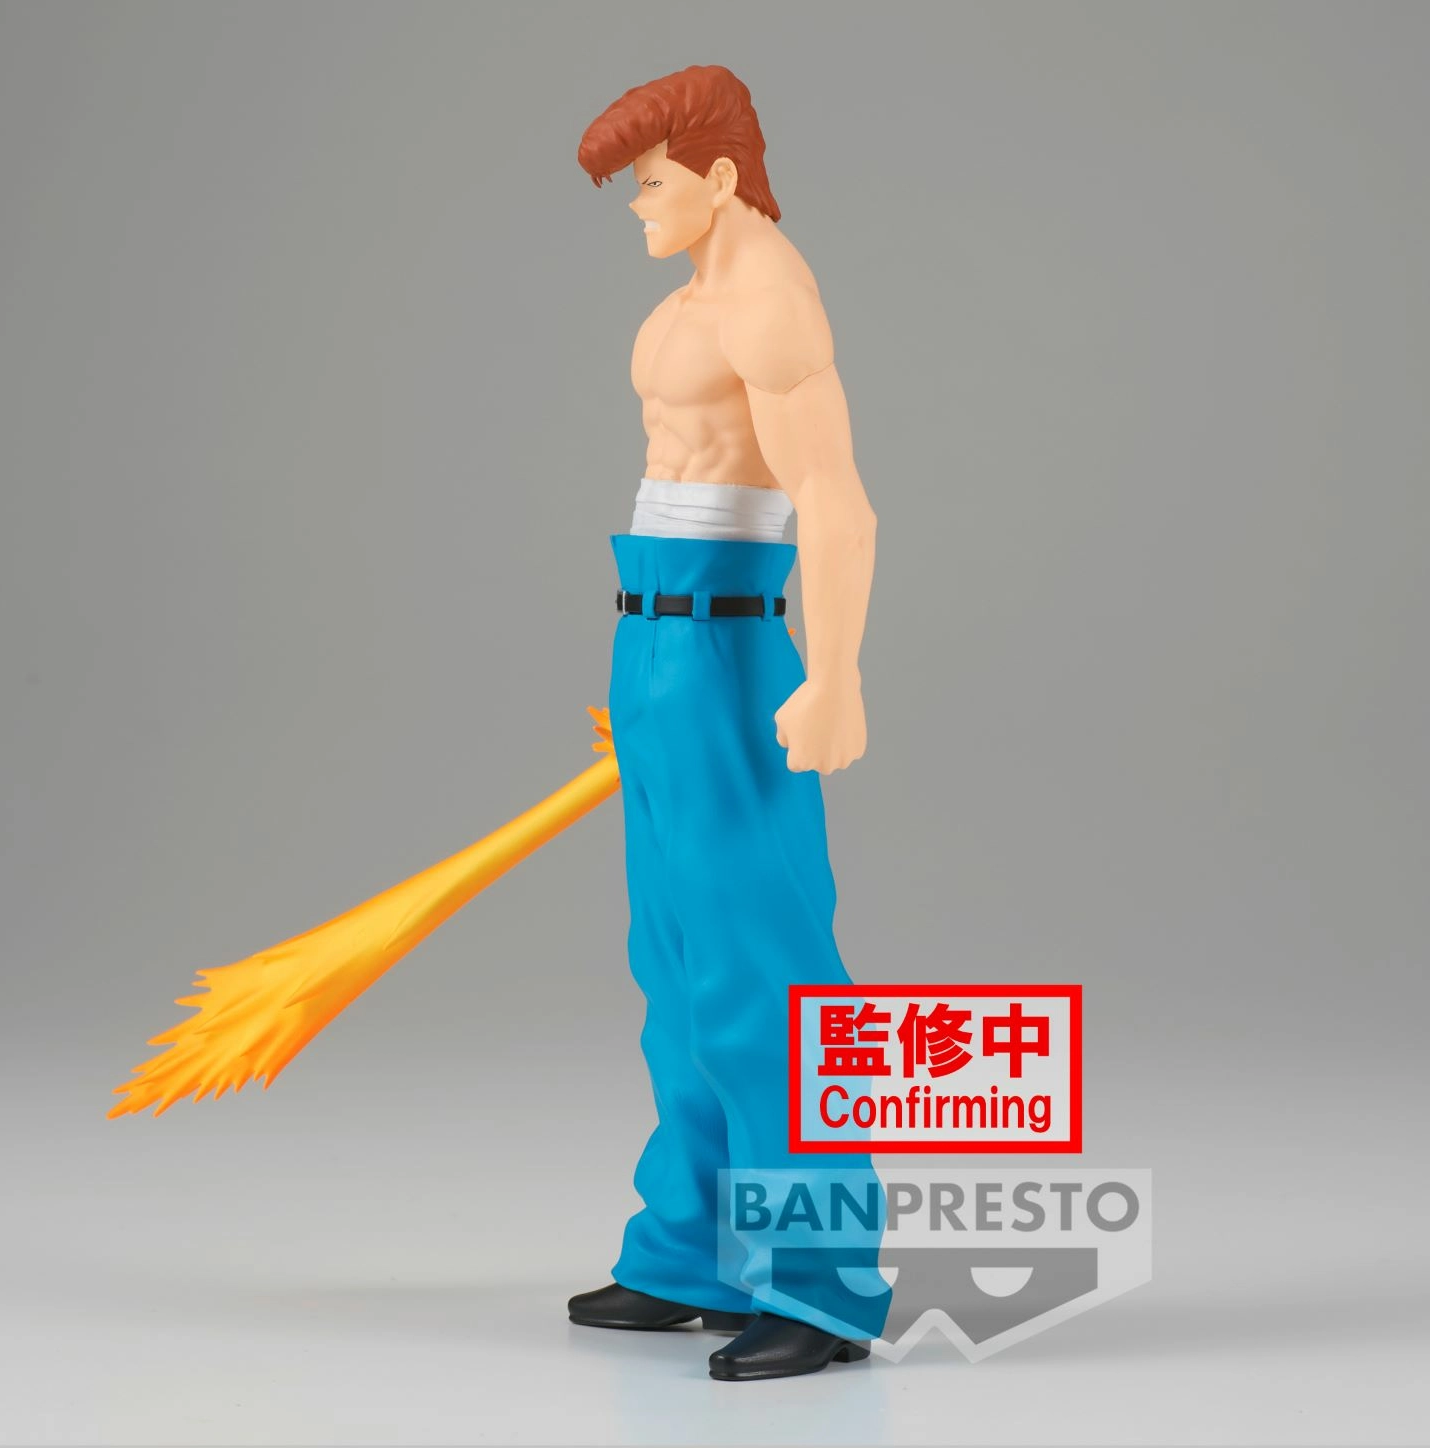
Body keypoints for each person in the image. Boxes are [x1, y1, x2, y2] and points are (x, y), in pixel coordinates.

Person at [569, 63, 890, 1382]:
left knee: (765, 969)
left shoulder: (769, 302)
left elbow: (837, 501)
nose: (637, 203)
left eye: (649, 180)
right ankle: (690, 1249)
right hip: (653, 640)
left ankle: (820, 1279)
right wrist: (645, 683)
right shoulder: (687, 299)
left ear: (715, 173)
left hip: (729, 641)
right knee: (674, 963)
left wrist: (837, 673)